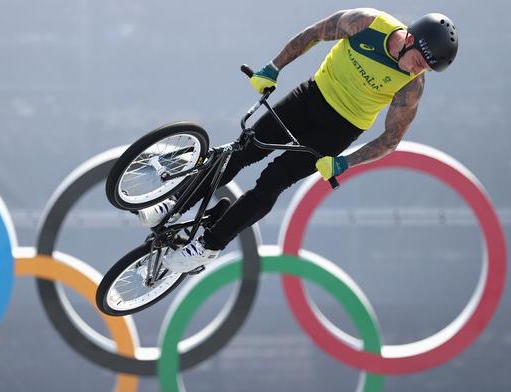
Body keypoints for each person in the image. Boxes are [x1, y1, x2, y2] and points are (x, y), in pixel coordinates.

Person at [138, 8, 458, 272]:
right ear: (411, 38)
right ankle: (175, 203)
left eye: (427, 68)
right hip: (310, 98)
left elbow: (391, 138)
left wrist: (345, 161)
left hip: (339, 130)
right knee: (243, 150)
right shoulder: (368, 24)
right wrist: (273, 68)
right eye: (420, 60)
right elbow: (314, 34)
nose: (419, 70)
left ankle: (208, 246)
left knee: (273, 181)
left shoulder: (411, 86)